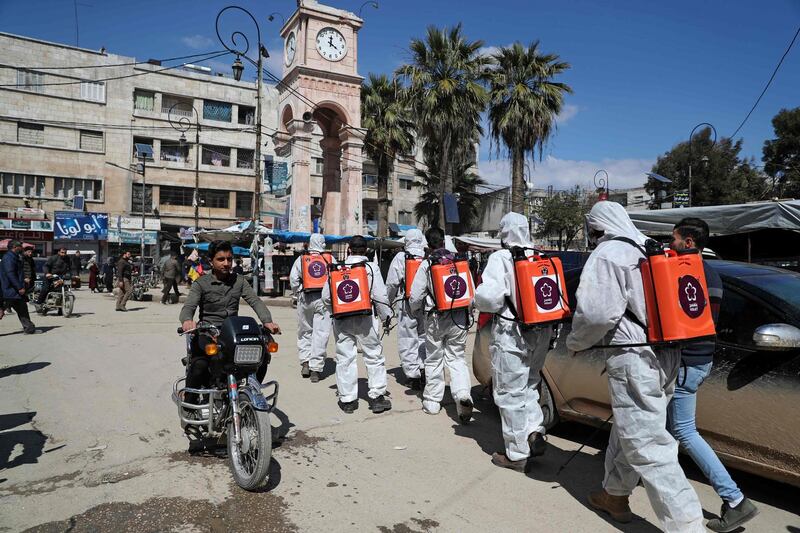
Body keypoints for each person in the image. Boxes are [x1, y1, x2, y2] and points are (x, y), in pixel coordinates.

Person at [565, 201, 704, 532]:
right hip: (667, 353)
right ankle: (614, 494)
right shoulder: (648, 246)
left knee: (649, 446)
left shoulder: (609, 252)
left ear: (596, 227)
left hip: (633, 357)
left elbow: (597, 313)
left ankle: (689, 526)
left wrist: (575, 342)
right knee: (631, 427)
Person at [667, 217, 758, 532]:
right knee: (666, 430)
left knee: (684, 432)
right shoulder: (712, 274)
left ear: (689, 243)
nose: (670, 244)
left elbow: (682, 322)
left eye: (674, 239)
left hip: (686, 363)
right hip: (701, 359)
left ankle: (734, 500)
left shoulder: (687, 275)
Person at [473, 212, 552, 472]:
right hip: (542, 330)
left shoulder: (501, 257)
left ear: (504, 232)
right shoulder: (541, 256)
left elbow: (491, 298)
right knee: (530, 382)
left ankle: (516, 453)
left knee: (509, 391)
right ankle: (534, 431)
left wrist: (477, 298)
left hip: (512, 332)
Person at [180, 240, 281, 402]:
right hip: (208, 332)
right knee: (200, 365)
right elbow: (188, 307)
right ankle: (189, 401)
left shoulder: (239, 281)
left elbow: (255, 301)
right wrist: (187, 321)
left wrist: (267, 321)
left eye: (229, 259)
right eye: (221, 259)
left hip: (231, 332)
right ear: (210, 261)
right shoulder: (201, 283)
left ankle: (249, 391)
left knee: (261, 356)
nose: (226, 263)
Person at [321, 235, 392, 414]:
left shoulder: (338, 268)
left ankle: (348, 400)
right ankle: (376, 397)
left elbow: (326, 297)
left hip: (342, 320)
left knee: (345, 358)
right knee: (373, 356)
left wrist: (336, 311)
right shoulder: (371, 267)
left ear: (349, 250)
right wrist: (386, 317)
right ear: (366, 250)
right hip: (365, 319)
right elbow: (380, 296)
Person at [409, 228, 474, 419]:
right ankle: (462, 394)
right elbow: (471, 292)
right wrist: (468, 313)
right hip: (459, 317)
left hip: (435, 318)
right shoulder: (459, 262)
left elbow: (415, 296)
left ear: (428, 245)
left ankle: (432, 401)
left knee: (434, 358)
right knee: (457, 358)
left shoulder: (427, 264)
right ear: (444, 243)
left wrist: (415, 312)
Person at [385, 229, 428, 390]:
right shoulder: (427, 255)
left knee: (408, 339)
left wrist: (387, 303)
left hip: (407, 302)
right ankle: (424, 368)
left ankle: (413, 376)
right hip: (426, 303)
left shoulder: (400, 257)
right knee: (424, 337)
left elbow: (392, 284)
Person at [289, 233, 334, 383]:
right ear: (322, 243)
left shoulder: (301, 259)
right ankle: (316, 369)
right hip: (324, 299)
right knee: (321, 333)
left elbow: (294, 279)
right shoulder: (329, 259)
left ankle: (305, 362)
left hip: (305, 298)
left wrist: (298, 292)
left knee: (304, 331)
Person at [0, 240, 36, 334]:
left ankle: (29, 328)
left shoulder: (15, 257)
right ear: (15, 247)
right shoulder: (8, 258)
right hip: (9, 289)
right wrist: (19, 287)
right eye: (20, 246)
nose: (22, 248)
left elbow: (17, 273)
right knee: (1, 310)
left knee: (22, 308)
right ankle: (29, 327)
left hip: (14, 290)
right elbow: (10, 274)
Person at [36, 247, 71, 313]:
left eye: (65, 253)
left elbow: (70, 269)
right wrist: (47, 273)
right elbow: (46, 266)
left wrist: (71, 275)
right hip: (51, 276)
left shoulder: (68, 259)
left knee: (63, 290)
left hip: (60, 277)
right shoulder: (53, 258)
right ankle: (39, 303)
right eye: (62, 252)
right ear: (59, 252)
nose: (64, 254)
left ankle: (60, 309)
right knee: (46, 289)